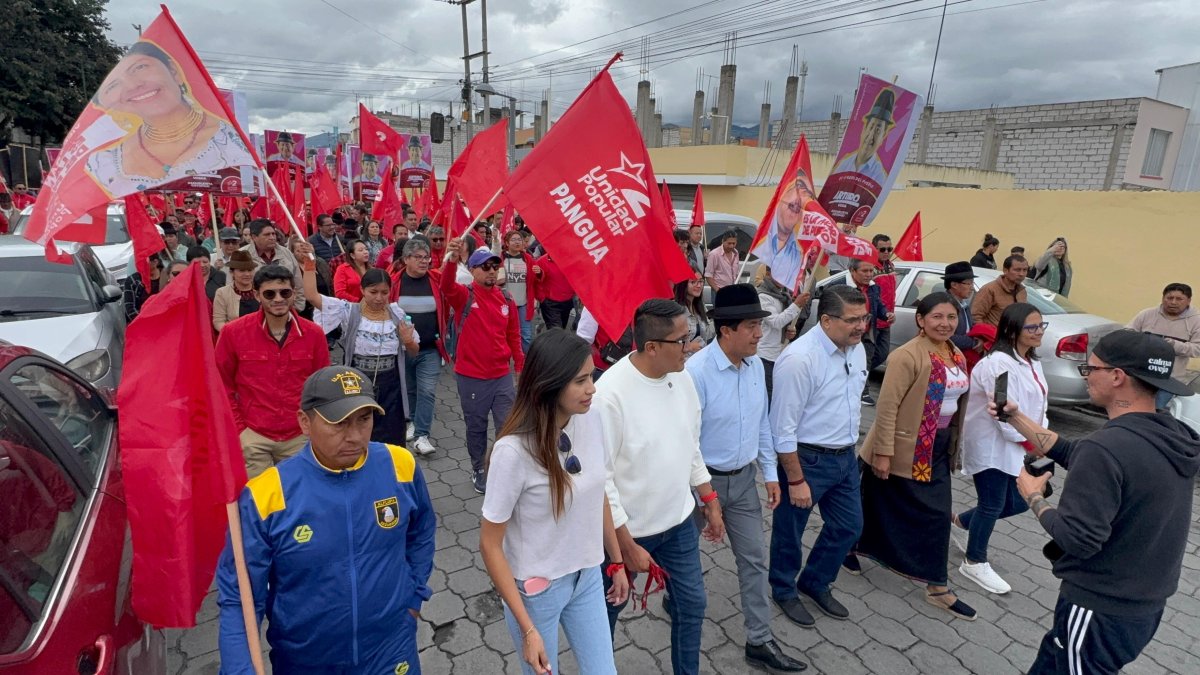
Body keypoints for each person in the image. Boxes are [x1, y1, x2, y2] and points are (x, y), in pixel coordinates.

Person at [997, 331, 1199, 675]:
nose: (1087, 376)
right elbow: (1075, 452)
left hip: (1097, 607)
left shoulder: (1106, 449)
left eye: (1090, 368)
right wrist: (1015, 417)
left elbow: (1078, 539)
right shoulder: (1170, 433)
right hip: (1142, 606)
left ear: (1117, 376)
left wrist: (1032, 496)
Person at [215, 366, 436, 674]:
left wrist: (413, 598)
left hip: (391, 649)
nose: (355, 436)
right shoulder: (266, 495)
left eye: (364, 419)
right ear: (305, 422)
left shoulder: (401, 464)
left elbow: (422, 531)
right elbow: (240, 599)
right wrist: (240, 669)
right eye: (339, 423)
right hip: (307, 660)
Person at [480, 330, 629, 675]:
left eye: (591, 376)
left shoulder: (591, 418)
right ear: (549, 384)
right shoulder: (512, 452)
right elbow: (490, 545)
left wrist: (616, 561)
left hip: (588, 577)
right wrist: (527, 629)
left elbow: (598, 491)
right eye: (580, 381)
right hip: (536, 592)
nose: (592, 388)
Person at [595, 299, 724, 675]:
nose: (691, 346)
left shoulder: (681, 377)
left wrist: (708, 496)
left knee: (693, 604)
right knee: (606, 614)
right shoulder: (609, 396)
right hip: (627, 535)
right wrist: (626, 547)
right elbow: (601, 480)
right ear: (651, 347)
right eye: (682, 340)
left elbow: (690, 443)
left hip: (680, 525)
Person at [685, 286, 807, 673]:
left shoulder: (756, 366)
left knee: (754, 560)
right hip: (698, 486)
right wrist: (708, 498)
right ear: (726, 330)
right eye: (753, 326)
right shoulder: (696, 373)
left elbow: (763, 426)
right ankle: (678, 597)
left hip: (743, 484)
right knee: (683, 560)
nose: (760, 333)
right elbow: (687, 443)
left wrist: (770, 474)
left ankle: (759, 641)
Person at [853, 292, 976, 620]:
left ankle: (851, 548)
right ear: (921, 320)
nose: (945, 324)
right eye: (937, 317)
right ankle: (938, 587)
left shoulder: (955, 354)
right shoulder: (907, 356)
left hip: (937, 447)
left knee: (879, 505)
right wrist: (883, 454)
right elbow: (888, 406)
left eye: (951, 317)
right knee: (926, 515)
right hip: (904, 449)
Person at [768, 285, 868, 627]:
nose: (860, 326)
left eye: (864, 318)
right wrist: (795, 479)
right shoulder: (798, 360)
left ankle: (814, 581)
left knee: (849, 525)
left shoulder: (856, 349)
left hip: (845, 457)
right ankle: (783, 589)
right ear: (825, 320)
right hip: (807, 461)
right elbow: (782, 429)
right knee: (790, 532)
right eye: (852, 320)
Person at [953, 303, 1048, 595]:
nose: (1038, 332)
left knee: (1020, 500)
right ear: (1012, 329)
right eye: (1031, 327)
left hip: (1021, 444)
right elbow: (1003, 412)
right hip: (993, 444)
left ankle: (961, 522)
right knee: (993, 503)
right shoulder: (998, 365)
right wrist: (1033, 441)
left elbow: (1041, 404)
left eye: (1041, 325)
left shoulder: (1031, 362)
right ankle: (974, 560)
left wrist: (1043, 436)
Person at [84, 42, 255, 195]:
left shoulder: (232, 143)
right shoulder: (101, 166)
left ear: (173, 71)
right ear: (108, 104)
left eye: (140, 67)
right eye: (113, 85)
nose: (133, 85)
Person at [215, 265, 331, 477]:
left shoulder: (313, 334)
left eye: (284, 292)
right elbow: (221, 385)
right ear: (257, 295)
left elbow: (322, 387)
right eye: (270, 293)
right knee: (259, 505)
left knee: (298, 503)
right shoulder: (234, 333)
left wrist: (313, 429)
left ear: (293, 293)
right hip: (254, 437)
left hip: (299, 436)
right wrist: (240, 430)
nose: (278, 299)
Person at [300, 248, 420, 449]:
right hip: (358, 384)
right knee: (359, 436)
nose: (379, 298)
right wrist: (309, 263)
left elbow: (414, 351)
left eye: (384, 292)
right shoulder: (349, 311)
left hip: (391, 387)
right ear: (362, 291)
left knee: (391, 441)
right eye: (373, 292)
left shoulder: (397, 314)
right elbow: (312, 296)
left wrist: (408, 342)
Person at [441, 242, 525, 494]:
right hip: (472, 378)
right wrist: (451, 261)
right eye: (485, 266)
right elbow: (445, 287)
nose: (491, 271)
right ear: (473, 270)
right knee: (476, 427)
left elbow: (514, 335)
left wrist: (519, 366)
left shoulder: (506, 298)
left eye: (494, 266)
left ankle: (502, 468)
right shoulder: (464, 295)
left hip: (501, 377)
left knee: (507, 426)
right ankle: (478, 468)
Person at [387, 238, 448, 457]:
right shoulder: (394, 282)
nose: (424, 262)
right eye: (418, 257)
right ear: (406, 259)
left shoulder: (436, 279)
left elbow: (451, 290)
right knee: (409, 389)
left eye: (426, 257)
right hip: (402, 349)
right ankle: (411, 421)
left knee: (427, 390)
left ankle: (422, 435)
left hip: (430, 347)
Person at [1128, 282, 1200, 410]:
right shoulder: (1147, 314)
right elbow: (1127, 334)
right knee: (1130, 409)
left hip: (1170, 378)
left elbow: (1197, 349)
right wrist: (1144, 341)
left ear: (1188, 300)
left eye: (1179, 299)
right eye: (1169, 298)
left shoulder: (1196, 321)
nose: (1173, 302)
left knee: (1155, 412)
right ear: (1163, 298)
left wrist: (1174, 345)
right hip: (1141, 374)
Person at [840, 258, 889, 405]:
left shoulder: (874, 287)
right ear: (852, 271)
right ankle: (856, 390)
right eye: (865, 271)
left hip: (866, 332)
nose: (869, 274)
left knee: (867, 360)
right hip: (847, 333)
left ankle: (860, 390)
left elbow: (878, 305)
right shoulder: (841, 286)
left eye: (871, 271)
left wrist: (886, 314)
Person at [756, 268, 809, 395]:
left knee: (779, 394)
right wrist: (796, 305)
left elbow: (784, 323)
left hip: (780, 353)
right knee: (768, 395)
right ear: (768, 274)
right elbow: (776, 322)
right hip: (765, 354)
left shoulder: (784, 295)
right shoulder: (763, 296)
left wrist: (790, 331)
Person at [239, 218, 306, 311]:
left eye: (273, 234)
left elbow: (298, 283)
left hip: (285, 310)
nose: (272, 237)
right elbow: (232, 286)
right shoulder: (241, 255)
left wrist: (297, 308)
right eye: (267, 235)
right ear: (254, 237)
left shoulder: (286, 253)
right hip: (253, 311)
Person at [831, 89, 894, 185]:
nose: (871, 136)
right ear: (864, 130)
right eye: (871, 127)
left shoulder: (879, 177)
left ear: (883, 137)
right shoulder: (844, 164)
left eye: (878, 130)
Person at [501, 230, 541, 353]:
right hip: (505, 303)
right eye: (513, 239)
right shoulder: (500, 258)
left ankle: (525, 362)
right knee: (504, 334)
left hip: (523, 303)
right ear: (507, 243)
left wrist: (539, 272)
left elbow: (536, 279)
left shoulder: (528, 259)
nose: (517, 242)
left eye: (519, 239)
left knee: (526, 335)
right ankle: (505, 360)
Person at [971, 254, 1028, 327]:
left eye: (1025, 270)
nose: (1021, 274)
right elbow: (975, 317)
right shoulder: (990, 289)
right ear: (1005, 270)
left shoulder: (1022, 291)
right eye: (1017, 270)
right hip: (993, 336)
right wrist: (987, 335)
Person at [212, 250, 259, 331]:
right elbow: (218, 322)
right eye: (242, 270)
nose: (247, 274)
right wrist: (234, 333)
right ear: (232, 272)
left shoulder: (261, 290)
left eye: (250, 270)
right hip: (234, 337)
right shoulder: (222, 293)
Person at [871, 234, 898, 370]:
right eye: (882, 249)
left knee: (882, 354)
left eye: (889, 249)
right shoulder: (870, 268)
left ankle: (861, 374)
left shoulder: (891, 266)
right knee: (868, 353)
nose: (887, 252)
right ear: (874, 249)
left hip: (886, 319)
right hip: (873, 320)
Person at [943, 261, 979, 355]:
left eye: (973, 283)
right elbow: (947, 337)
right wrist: (974, 342)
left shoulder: (964, 304)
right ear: (954, 285)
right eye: (968, 283)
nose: (972, 288)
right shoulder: (945, 305)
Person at [534, 251, 576, 330]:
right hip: (550, 303)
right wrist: (542, 299)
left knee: (561, 328)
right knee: (556, 330)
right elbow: (536, 282)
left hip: (567, 301)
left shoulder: (570, 260)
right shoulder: (541, 261)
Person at [673, 272, 713, 353]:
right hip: (683, 361)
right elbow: (669, 343)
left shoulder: (701, 306)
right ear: (683, 284)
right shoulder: (675, 309)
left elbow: (708, 333)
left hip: (701, 359)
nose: (698, 286)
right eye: (693, 282)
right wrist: (689, 346)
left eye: (701, 281)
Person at [120, 254, 164, 322]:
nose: (140, 265)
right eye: (139, 262)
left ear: (155, 262)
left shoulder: (167, 276)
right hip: (143, 323)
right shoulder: (132, 281)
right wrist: (145, 322)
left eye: (144, 262)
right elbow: (130, 310)